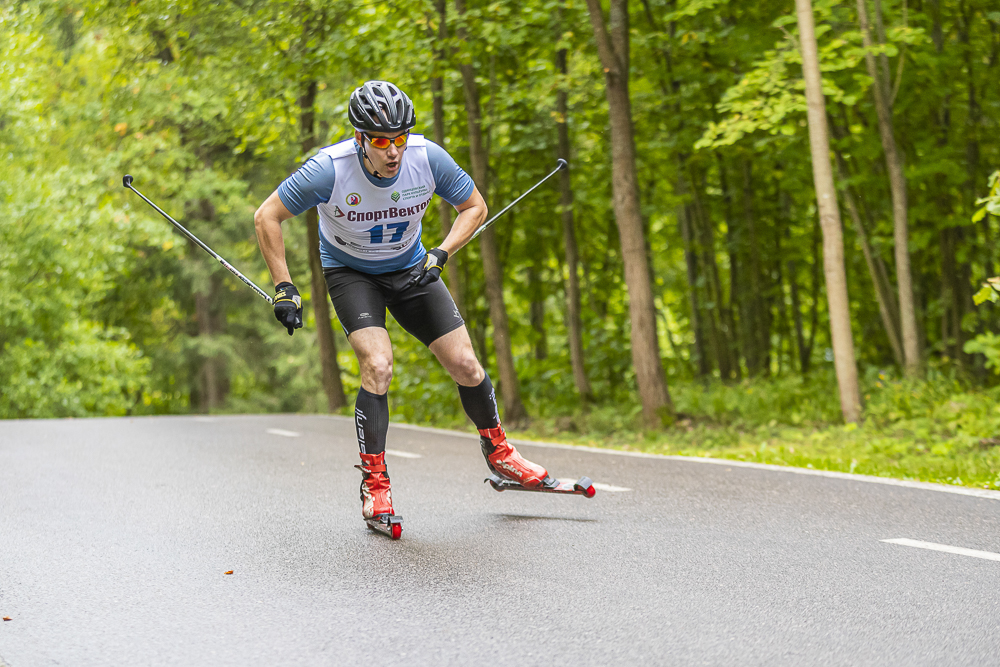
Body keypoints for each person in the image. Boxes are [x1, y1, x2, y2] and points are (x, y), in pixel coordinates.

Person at [253, 80, 555, 528]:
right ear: (359, 139)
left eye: (400, 138)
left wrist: (442, 252)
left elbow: (474, 206)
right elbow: (267, 216)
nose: (393, 150)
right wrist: (284, 286)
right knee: (378, 365)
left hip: (412, 268)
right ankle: (375, 484)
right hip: (351, 273)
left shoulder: (427, 158)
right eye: (380, 140)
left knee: (467, 365)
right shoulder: (328, 170)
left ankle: (500, 453)